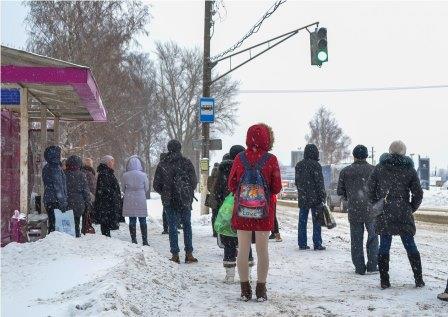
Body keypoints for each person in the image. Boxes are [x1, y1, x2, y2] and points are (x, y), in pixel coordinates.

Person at [229, 123, 282, 301]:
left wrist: (244, 193)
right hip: (264, 212)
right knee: (262, 250)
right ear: (267, 138)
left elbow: (232, 184)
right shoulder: (271, 159)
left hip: (243, 211)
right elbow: (276, 187)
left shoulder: (239, 158)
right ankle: (261, 289)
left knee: (242, 250)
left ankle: (245, 290)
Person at [368, 140, 424, 289]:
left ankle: (384, 280)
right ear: (404, 152)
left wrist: (377, 204)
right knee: (410, 244)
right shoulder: (410, 169)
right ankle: (419, 279)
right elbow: (418, 193)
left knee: (384, 245)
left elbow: (369, 189)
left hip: (385, 211)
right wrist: (410, 207)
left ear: (389, 151)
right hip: (403, 211)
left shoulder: (380, 168)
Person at [213, 145, 254, 283]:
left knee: (229, 242)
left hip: (227, 211)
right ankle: (247, 275)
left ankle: (229, 275)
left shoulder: (223, 170)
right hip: (245, 210)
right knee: (245, 242)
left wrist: (222, 207)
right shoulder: (248, 168)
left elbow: (217, 192)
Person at [153, 140, 198, 264]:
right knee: (187, 225)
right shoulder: (186, 162)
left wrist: (165, 192)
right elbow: (194, 182)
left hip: (169, 200)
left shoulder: (163, 164)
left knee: (172, 226)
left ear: (168, 148)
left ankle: (175, 254)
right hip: (185, 200)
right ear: (180, 148)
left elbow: (156, 185)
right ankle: (189, 254)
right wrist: (186, 192)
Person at [337, 145, 378, 275]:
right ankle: (372, 265)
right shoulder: (374, 170)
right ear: (366, 156)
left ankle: (359, 267)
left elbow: (340, 192)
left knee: (356, 239)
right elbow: (380, 190)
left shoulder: (345, 171)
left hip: (354, 209)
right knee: (373, 237)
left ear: (354, 156)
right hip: (371, 210)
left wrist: (351, 197)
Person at [295, 144, 326, 251]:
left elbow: (297, 182)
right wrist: (323, 196)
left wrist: (302, 192)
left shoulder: (299, 165)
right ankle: (317, 243)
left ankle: (302, 243)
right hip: (316, 198)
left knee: (302, 221)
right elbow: (320, 183)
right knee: (317, 221)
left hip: (303, 197)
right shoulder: (316, 165)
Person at [122, 155, 150, 245]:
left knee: (132, 219)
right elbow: (147, 187)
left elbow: (123, 188)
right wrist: (141, 191)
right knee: (143, 220)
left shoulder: (125, 175)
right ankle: (145, 240)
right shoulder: (143, 175)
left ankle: (134, 239)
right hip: (140, 198)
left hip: (129, 198)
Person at [94, 155, 122, 237]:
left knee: (106, 220)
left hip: (107, 202)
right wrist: (114, 194)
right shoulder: (104, 173)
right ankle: (106, 237)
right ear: (107, 162)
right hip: (106, 202)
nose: (113, 163)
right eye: (111, 161)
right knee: (105, 221)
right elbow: (105, 188)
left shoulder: (107, 172)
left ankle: (107, 236)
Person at [42, 146, 68, 233]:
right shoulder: (55, 167)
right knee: (55, 225)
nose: (60, 156)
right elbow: (58, 186)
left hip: (49, 199)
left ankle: (52, 241)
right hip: (55, 200)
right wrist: (63, 202)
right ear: (55, 155)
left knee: (52, 223)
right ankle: (54, 244)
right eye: (59, 154)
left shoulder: (47, 167)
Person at [65, 155, 91, 238]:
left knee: (68, 222)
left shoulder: (64, 174)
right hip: (79, 203)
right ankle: (76, 234)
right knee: (76, 221)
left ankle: (68, 236)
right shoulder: (82, 175)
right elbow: (86, 191)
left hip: (67, 202)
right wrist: (88, 202)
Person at [82, 158, 97, 224]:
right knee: (89, 209)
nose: (91, 164)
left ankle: (88, 223)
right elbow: (92, 184)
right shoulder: (89, 172)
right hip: (90, 193)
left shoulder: (88, 171)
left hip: (89, 192)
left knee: (88, 209)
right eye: (89, 163)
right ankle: (88, 224)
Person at [208, 161, 220, 237]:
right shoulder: (220, 177)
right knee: (219, 214)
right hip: (219, 198)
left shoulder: (210, 178)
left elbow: (209, 188)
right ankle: (219, 230)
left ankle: (214, 231)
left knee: (214, 215)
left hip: (213, 198)